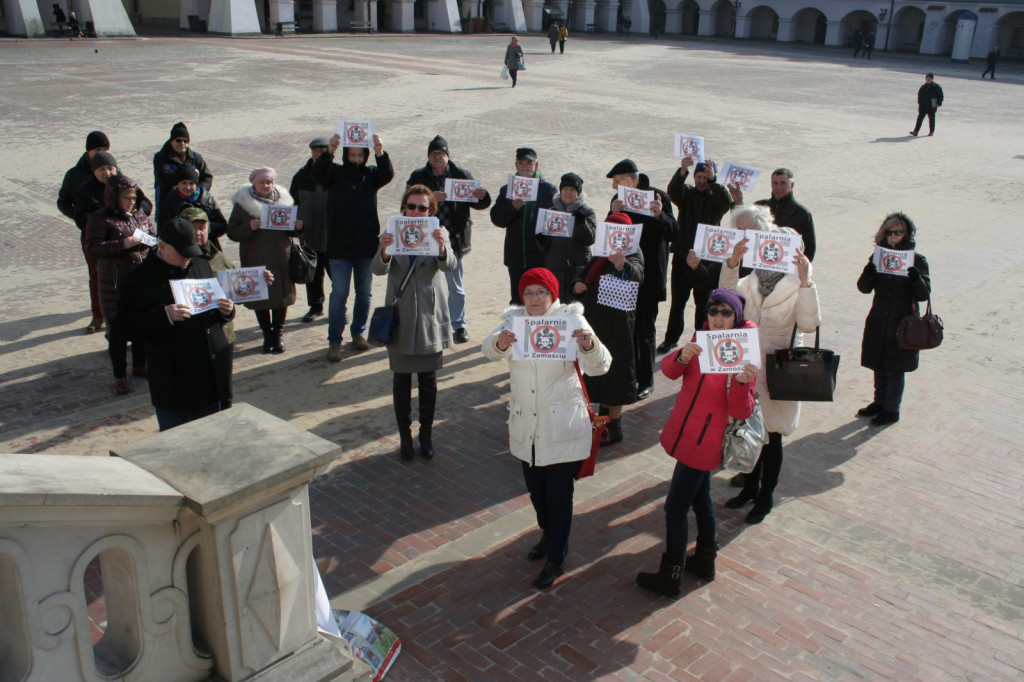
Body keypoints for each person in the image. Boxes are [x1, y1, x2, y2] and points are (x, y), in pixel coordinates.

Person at [482, 267, 611, 589]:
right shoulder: (514, 322)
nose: (534, 298)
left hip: (562, 423)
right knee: (536, 492)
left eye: (541, 292)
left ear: (553, 294)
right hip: (527, 424)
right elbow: (489, 353)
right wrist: (498, 343)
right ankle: (547, 533)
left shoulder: (571, 319)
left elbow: (600, 366)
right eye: (528, 292)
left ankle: (557, 556)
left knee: (558, 495)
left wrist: (588, 345)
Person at [636, 288, 758, 596]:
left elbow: (740, 411)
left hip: (706, 440)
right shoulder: (702, 337)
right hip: (686, 431)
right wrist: (681, 354)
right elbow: (669, 372)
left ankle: (671, 573)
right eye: (713, 312)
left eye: (725, 313)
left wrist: (742, 384)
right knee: (701, 499)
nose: (718, 319)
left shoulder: (744, 352)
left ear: (737, 316)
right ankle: (705, 559)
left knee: (675, 508)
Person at [719, 207, 820, 525]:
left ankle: (766, 496)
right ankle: (749, 487)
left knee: (773, 436)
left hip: (781, 370)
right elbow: (725, 299)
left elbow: (809, 325)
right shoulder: (751, 280)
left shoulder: (798, 284)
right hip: (749, 368)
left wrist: (806, 284)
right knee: (748, 428)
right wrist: (732, 263)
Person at [117, 218, 234, 431]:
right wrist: (164, 316)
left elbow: (211, 313)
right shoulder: (138, 280)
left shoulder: (200, 264)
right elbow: (126, 329)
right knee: (177, 445)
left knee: (212, 438)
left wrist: (226, 312)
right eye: (182, 252)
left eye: (191, 251)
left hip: (209, 378)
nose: (187, 258)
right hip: (174, 382)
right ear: (161, 247)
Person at [372, 185, 457, 461]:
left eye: (423, 207)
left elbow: (450, 266)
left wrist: (443, 247)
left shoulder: (436, 233)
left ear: (431, 210)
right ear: (403, 208)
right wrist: (384, 251)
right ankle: (405, 438)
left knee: (428, 382)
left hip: (430, 317)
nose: (417, 212)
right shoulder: (393, 232)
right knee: (401, 382)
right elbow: (377, 269)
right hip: (402, 317)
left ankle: (426, 435)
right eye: (412, 206)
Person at [313, 131, 394, 361]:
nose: (356, 159)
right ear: (346, 155)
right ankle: (334, 341)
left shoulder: (370, 175)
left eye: (360, 155)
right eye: (352, 155)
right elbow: (318, 174)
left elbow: (387, 174)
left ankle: (358, 333)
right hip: (339, 246)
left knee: (364, 293)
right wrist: (330, 150)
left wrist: (380, 152)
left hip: (365, 244)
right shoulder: (335, 173)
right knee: (339, 293)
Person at [406, 135, 492, 344]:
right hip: (424, 239)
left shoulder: (461, 174)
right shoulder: (419, 175)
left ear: (447, 156)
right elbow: (406, 203)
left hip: (453, 239)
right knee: (423, 283)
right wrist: (430, 198)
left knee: (456, 286)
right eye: (434, 154)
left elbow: (478, 204)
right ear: (428, 157)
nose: (438, 157)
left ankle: (459, 325)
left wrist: (483, 196)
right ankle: (423, 321)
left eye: (441, 153)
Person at [607, 158, 680, 401]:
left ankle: (646, 380)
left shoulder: (657, 197)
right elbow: (609, 232)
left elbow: (674, 233)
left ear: (629, 179)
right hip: (624, 275)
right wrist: (613, 212)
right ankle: (626, 375)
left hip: (649, 278)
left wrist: (660, 216)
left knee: (645, 331)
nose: (614, 187)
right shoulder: (618, 201)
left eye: (617, 182)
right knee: (624, 329)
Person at [572, 212, 643, 444]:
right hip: (597, 320)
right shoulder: (601, 253)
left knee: (618, 373)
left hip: (620, 323)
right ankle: (600, 422)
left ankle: (615, 427)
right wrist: (578, 284)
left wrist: (624, 265)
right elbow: (585, 273)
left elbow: (639, 275)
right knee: (597, 368)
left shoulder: (633, 252)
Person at [856, 213, 931, 426]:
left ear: (906, 234)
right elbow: (863, 288)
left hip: (902, 323)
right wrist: (869, 272)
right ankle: (879, 402)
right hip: (880, 319)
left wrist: (916, 279)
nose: (893, 236)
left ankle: (892, 409)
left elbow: (924, 295)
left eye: (898, 232)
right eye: (889, 232)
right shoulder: (878, 256)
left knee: (895, 368)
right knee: (879, 364)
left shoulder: (917, 260)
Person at [85, 175, 155, 395]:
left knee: (142, 326)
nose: (131, 202)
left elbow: (152, 236)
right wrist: (123, 244)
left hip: (141, 280)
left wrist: (152, 242)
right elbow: (95, 248)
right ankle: (120, 376)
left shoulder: (140, 216)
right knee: (117, 333)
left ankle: (140, 365)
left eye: (133, 197)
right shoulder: (100, 218)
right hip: (115, 284)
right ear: (114, 198)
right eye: (126, 198)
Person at [226, 167, 303, 354]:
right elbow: (232, 232)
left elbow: (291, 230)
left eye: (269, 182)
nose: (266, 185)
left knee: (281, 299)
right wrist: (248, 227)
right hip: (256, 259)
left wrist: (297, 227)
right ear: (254, 183)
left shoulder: (283, 202)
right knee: (260, 299)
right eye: (262, 182)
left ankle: (278, 334)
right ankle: (266, 335)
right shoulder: (243, 205)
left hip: (281, 259)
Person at [661, 157, 733, 354]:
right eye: (699, 177)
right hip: (683, 257)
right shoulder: (687, 195)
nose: (702, 180)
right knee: (678, 303)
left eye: (705, 177)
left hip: (707, 262)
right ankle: (671, 339)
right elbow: (673, 191)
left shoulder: (716, 199)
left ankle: (701, 338)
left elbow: (727, 201)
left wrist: (714, 181)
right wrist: (682, 170)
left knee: (704, 305)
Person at [490, 147, 558, 304]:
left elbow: (558, 221)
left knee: (542, 299)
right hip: (516, 257)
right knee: (518, 300)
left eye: (529, 163)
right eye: (521, 163)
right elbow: (497, 220)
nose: (525, 167)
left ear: (536, 165)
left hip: (540, 256)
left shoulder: (548, 189)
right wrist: (512, 208)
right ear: (516, 165)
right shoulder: (507, 189)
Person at [58, 131, 110, 333]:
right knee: (96, 274)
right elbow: (62, 202)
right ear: (88, 151)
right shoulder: (74, 175)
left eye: (105, 150)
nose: (101, 154)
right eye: (98, 150)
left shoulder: (112, 170)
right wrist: (82, 219)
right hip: (90, 234)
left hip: (115, 233)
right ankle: (98, 316)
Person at [728, 167, 816, 262]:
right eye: (775, 183)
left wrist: (799, 271)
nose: (778, 187)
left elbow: (809, 251)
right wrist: (738, 202)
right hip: (755, 263)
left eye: (783, 183)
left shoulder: (802, 214)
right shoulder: (759, 206)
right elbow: (740, 229)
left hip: (785, 267)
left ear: (792, 185)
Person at [290, 137, 332, 324]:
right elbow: (291, 205)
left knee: (338, 277)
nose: (318, 154)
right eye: (315, 150)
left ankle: (340, 307)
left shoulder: (336, 174)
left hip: (332, 237)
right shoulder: (301, 177)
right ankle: (316, 306)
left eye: (323, 151)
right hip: (309, 236)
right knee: (313, 276)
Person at [538, 172, 596, 302]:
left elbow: (590, 239)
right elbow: (544, 247)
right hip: (555, 265)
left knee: (576, 304)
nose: (568, 193)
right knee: (555, 303)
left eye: (572, 190)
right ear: (561, 190)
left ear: (578, 193)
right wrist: (541, 240)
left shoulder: (587, 211)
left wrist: (582, 223)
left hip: (578, 266)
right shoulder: (551, 211)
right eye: (565, 189)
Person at [152, 122, 213, 219]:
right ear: (171, 141)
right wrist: (190, 173)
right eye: (178, 140)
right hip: (169, 206)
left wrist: (198, 191)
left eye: (185, 141)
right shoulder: (161, 157)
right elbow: (163, 178)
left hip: (194, 204)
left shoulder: (195, 157)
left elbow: (207, 177)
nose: (182, 144)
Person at [158, 164, 228, 248]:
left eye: (191, 183)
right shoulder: (170, 203)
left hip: (208, 247)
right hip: (182, 248)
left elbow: (223, 225)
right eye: (184, 183)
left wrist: (205, 227)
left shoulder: (207, 199)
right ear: (177, 184)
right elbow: (163, 231)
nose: (188, 187)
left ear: (197, 184)